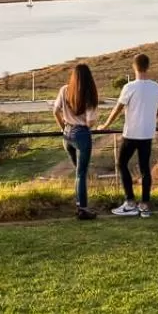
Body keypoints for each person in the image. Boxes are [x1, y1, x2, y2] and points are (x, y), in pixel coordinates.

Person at [99, 52, 158, 217]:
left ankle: (130, 202)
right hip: (147, 134)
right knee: (144, 169)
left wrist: (105, 125)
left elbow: (117, 109)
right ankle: (145, 205)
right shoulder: (156, 87)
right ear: (148, 67)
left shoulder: (129, 87)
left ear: (134, 67)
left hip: (132, 133)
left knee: (121, 164)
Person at [52, 63, 99, 220]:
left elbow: (55, 111)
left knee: (78, 173)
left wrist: (62, 128)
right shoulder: (89, 94)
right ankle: (83, 209)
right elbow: (90, 122)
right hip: (81, 135)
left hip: (67, 135)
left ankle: (79, 205)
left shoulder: (64, 90)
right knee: (81, 173)